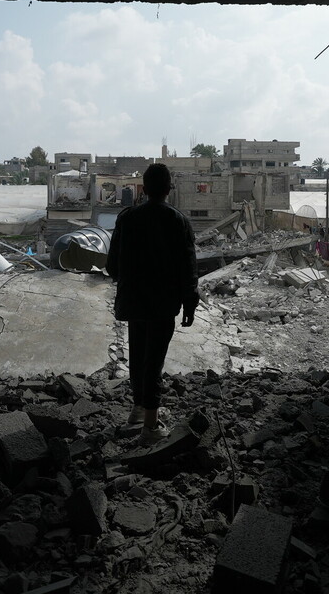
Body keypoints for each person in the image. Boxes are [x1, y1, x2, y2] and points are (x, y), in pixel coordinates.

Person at [106, 163, 199, 445]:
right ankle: (150, 425)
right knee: (154, 360)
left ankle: (137, 410)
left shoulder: (127, 218)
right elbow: (189, 270)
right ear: (169, 189)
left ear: (143, 189)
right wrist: (189, 303)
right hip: (162, 304)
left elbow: (112, 266)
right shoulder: (178, 221)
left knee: (138, 354)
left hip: (134, 301)